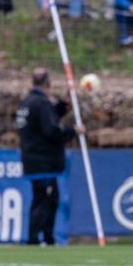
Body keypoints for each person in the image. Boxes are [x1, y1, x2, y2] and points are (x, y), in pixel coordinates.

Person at [16, 67, 81, 246]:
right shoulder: (41, 103)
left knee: (46, 198)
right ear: (49, 83)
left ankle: (45, 237)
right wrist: (73, 131)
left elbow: (46, 119)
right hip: (43, 162)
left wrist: (62, 104)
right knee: (44, 200)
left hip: (32, 159)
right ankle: (38, 238)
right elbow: (51, 131)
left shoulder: (27, 102)